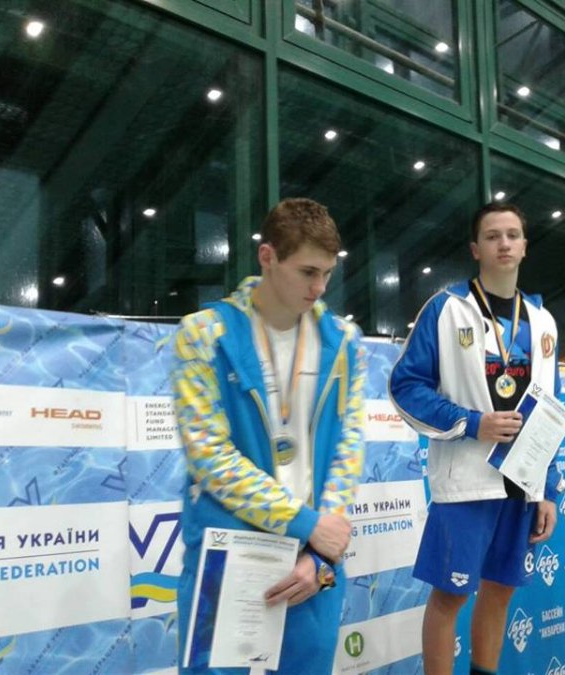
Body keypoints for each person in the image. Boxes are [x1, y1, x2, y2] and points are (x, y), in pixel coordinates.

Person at [172, 198, 367, 674]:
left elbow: (349, 448)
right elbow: (209, 456)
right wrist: (305, 523)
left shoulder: (344, 341)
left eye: (327, 273)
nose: (319, 288)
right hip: (231, 557)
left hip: (312, 565)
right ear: (268, 257)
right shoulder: (204, 334)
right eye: (307, 272)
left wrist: (322, 551)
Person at [389, 202, 563, 675]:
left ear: (525, 246)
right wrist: (471, 422)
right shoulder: (447, 309)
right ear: (475, 249)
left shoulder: (543, 322)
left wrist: (547, 487)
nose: (504, 243)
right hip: (467, 481)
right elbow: (406, 387)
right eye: (492, 236)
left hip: (521, 482)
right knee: (450, 596)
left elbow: (551, 411)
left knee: (500, 591)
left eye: (512, 235)